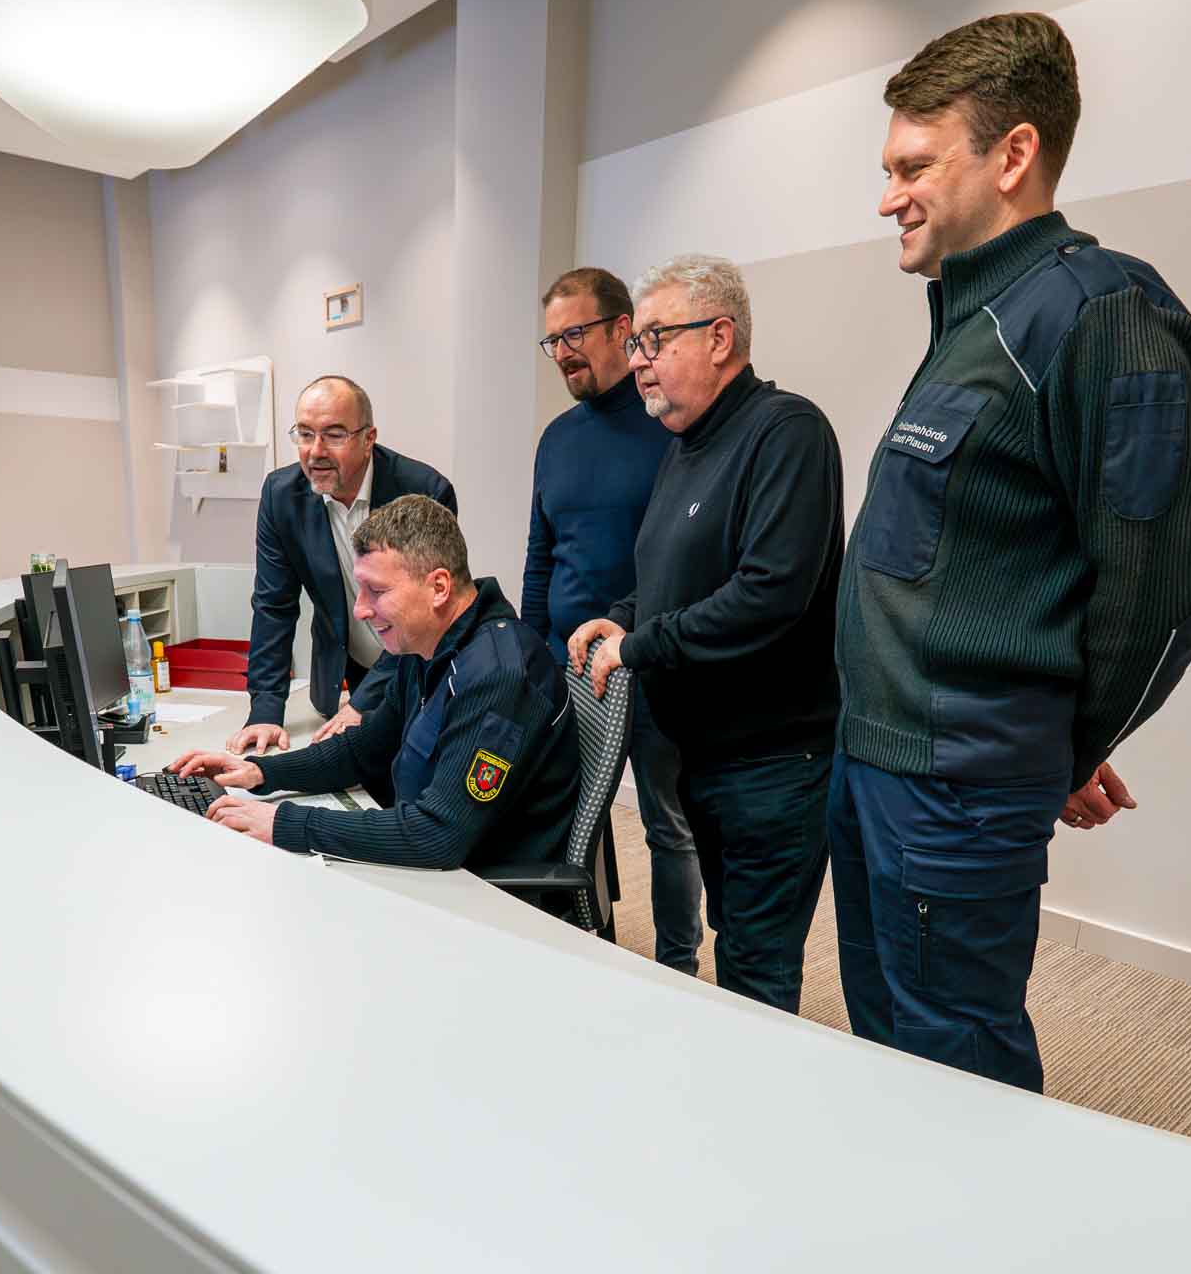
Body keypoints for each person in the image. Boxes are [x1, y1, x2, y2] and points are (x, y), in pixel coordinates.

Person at [828, 12, 1191, 1092]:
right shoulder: (972, 316)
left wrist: (1056, 744)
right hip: (880, 762)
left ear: (1013, 154)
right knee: (889, 1048)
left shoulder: (1099, 315)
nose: (887, 196)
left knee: (956, 1066)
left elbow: (1157, 590)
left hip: (953, 785)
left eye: (913, 165)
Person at [568, 255, 844, 1014]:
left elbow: (768, 595)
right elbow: (666, 574)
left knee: (755, 973)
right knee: (734, 945)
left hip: (774, 766)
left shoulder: (787, 433)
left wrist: (641, 644)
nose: (640, 362)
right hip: (704, 758)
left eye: (656, 340)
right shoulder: (686, 446)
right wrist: (622, 614)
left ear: (720, 337)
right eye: (637, 346)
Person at [173, 495, 580, 883]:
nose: (360, 609)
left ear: (439, 587)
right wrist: (261, 772)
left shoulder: (498, 675)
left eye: (378, 591)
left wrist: (285, 823)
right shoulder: (424, 647)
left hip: (484, 894)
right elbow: (364, 750)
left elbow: (439, 836)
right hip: (437, 863)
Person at [523, 266, 702, 974]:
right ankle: (593, 946)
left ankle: (678, 968)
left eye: (574, 334)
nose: (563, 351)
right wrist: (536, 654)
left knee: (669, 827)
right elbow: (540, 558)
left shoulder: (671, 427)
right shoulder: (556, 440)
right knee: (577, 819)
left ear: (621, 330)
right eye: (552, 340)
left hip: (652, 662)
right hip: (571, 669)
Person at [231, 375, 456, 767]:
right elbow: (274, 606)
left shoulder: (423, 492)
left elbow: (424, 618)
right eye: (304, 434)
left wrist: (367, 702)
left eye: (334, 435)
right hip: (341, 678)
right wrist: (266, 710)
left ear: (368, 438)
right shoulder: (281, 496)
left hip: (414, 673)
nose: (315, 451)